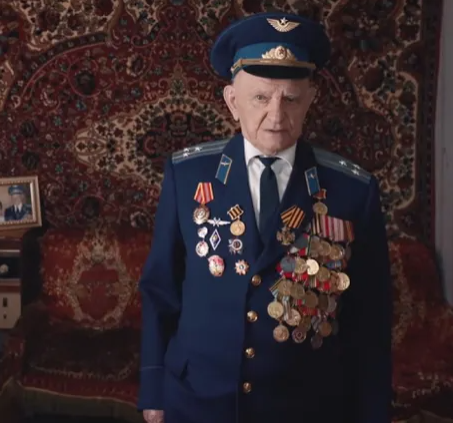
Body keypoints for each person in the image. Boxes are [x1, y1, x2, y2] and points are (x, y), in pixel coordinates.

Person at [138, 12, 392, 423]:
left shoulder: (352, 191)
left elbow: (371, 320)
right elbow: (160, 291)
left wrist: (372, 414)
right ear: (232, 102)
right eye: (260, 98)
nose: (276, 116)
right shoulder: (187, 176)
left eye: (290, 99)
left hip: (305, 408)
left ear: (311, 99)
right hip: (199, 400)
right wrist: (153, 390)